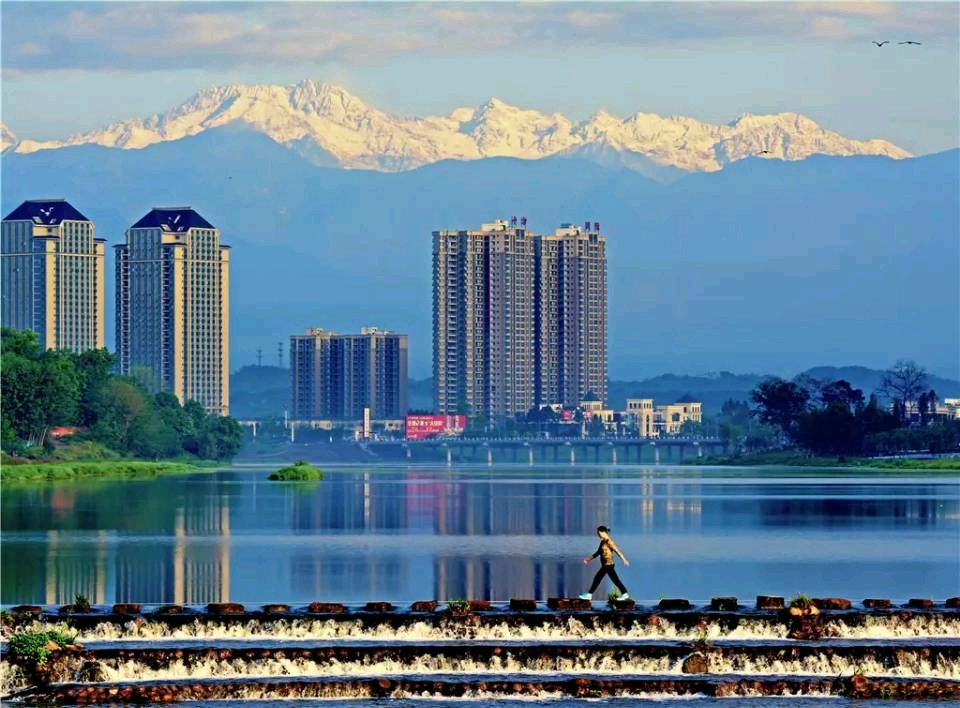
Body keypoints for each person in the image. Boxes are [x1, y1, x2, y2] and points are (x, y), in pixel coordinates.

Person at [579, 525, 630, 601]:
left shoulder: (609, 541)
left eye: (598, 533)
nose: (598, 534)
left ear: (603, 532)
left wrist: (624, 559)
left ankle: (625, 593)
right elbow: (598, 553)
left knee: (605, 579)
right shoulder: (602, 542)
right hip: (605, 565)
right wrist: (588, 559)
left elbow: (617, 551)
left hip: (609, 565)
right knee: (603, 579)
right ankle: (589, 595)